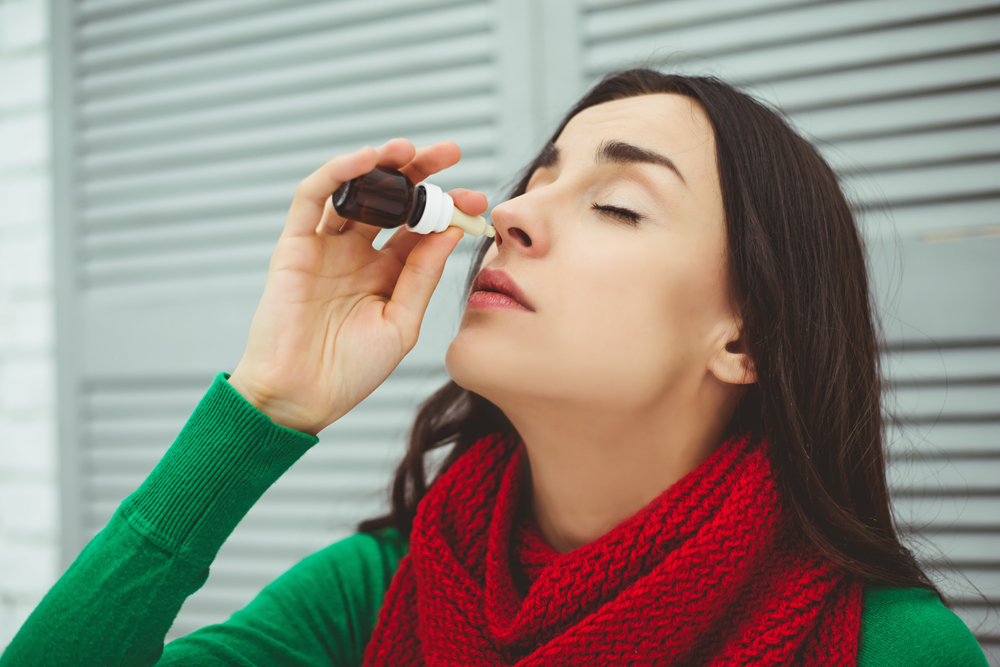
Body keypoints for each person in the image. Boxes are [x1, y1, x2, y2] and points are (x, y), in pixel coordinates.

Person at [2, 69, 988, 666]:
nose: (507, 215)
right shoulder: (376, 595)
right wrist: (263, 402)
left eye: (618, 204)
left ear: (746, 340)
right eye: (539, 179)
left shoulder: (884, 648)